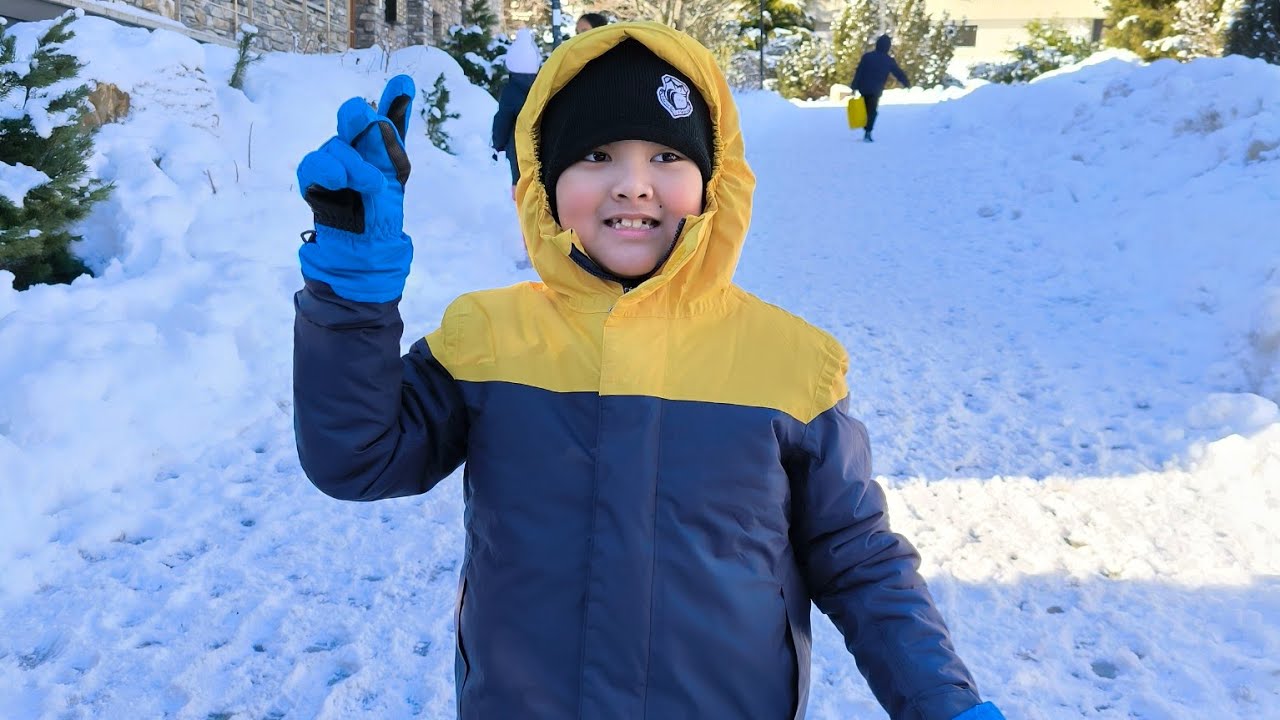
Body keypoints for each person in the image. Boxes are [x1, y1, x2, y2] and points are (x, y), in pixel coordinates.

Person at [293, 21, 1005, 720]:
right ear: (543, 181)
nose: (633, 186)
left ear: (714, 180)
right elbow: (358, 459)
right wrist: (352, 291)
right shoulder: (488, 337)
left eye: (667, 156)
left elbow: (857, 559)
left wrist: (944, 703)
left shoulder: (792, 365)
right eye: (596, 155)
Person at [491, 28, 541, 200]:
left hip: (518, 145)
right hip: (542, 141)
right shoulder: (541, 85)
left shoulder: (510, 90)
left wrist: (498, 144)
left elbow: (503, 120)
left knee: (519, 179)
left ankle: (521, 204)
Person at [851, 34, 910, 143]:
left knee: (866, 108)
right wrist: (906, 82)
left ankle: (865, 125)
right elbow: (898, 72)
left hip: (863, 87)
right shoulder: (888, 60)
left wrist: (854, 86)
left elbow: (859, 71)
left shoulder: (867, 57)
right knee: (872, 111)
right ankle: (868, 132)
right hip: (876, 90)